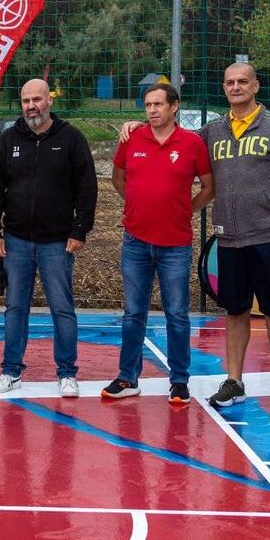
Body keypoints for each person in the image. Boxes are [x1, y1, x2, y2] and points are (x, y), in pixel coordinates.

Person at [200, 64, 270, 413]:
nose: (236, 87)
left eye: (242, 81)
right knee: (235, 311)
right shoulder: (212, 131)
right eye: (230, 82)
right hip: (229, 239)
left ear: (256, 86)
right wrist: (137, 127)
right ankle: (234, 381)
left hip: (269, 237)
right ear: (223, 87)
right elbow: (174, 142)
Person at [0, 78, 97, 396]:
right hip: (16, 241)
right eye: (25, 101)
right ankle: (11, 371)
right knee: (15, 308)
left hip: (58, 243)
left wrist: (80, 230)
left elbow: (87, 189)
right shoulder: (8, 140)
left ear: (49, 101)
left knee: (62, 308)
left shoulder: (71, 138)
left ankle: (67, 373)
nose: (31, 106)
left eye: (37, 99)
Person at [104, 82, 213, 405]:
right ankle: (128, 377)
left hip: (175, 246)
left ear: (174, 106)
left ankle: (179, 381)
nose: (152, 110)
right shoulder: (132, 137)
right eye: (148, 105)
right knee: (133, 313)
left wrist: (186, 210)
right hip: (135, 242)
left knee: (177, 315)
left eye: (158, 104)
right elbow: (118, 178)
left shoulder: (192, 143)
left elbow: (209, 187)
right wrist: (135, 204)